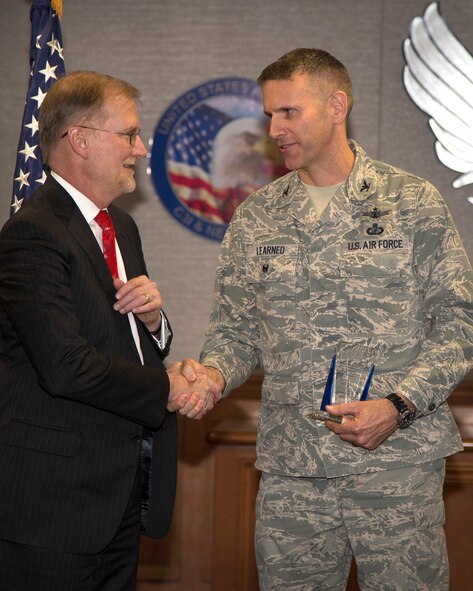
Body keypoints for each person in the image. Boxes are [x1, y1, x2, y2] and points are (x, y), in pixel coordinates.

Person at [182, 48, 473, 590]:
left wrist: (399, 405)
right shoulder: (257, 216)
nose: (274, 129)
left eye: (288, 112)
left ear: (337, 105)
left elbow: (460, 325)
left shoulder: (409, 201)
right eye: (270, 115)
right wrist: (214, 374)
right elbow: (236, 331)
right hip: (294, 470)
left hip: (397, 465)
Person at [0, 71, 220, 591]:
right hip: (52, 513)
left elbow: (123, 346)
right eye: (128, 134)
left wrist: (154, 324)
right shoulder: (32, 234)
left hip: (119, 497)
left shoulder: (120, 227)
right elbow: (66, 367)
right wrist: (170, 388)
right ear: (79, 139)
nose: (141, 149)